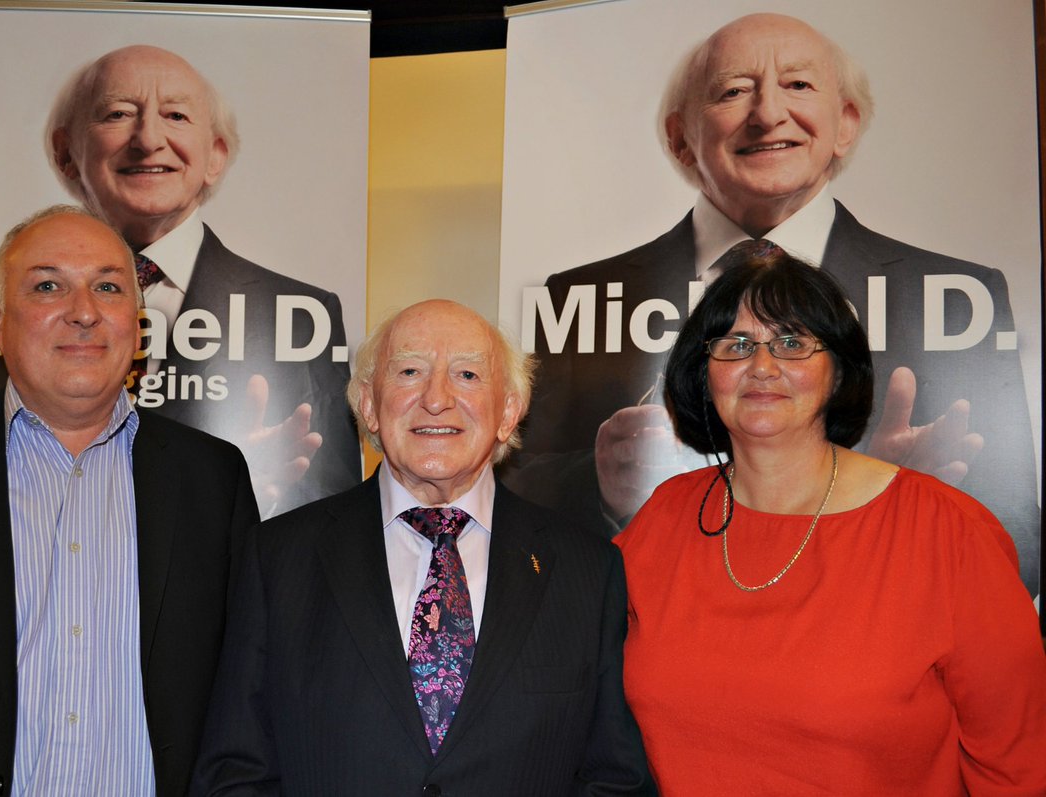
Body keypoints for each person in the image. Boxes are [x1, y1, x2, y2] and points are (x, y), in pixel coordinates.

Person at [506, 12, 1040, 598]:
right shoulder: (579, 297)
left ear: (847, 124)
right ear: (681, 137)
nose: (767, 114)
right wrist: (600, 484)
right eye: (734, 91)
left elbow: (1022, 552)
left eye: (799, 85)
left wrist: (901, 501)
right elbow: (516, 502)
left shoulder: (959, 296)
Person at [0, 206, 260, 795]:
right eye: (48, 286)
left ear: (136, 321)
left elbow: (245, 702)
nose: (84, 312)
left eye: (109, 287)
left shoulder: (212, 479)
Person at [614, 248, 1046, 794]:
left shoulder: (949, 533)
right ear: (703, 373)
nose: (762, 366)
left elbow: (1018, 769)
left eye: (793, 343)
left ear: (838, 370)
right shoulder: (666, 517)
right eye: (737, 345)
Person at [190, 299, 654, 795]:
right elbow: (234, 773)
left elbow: (613, 779)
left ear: (509, 412)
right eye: (409, 371)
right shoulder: (278, 557)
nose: (436, 398)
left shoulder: (586, 568)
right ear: (369, 404)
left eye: (469, 375)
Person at [0, 44, 358, 518]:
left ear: (215, 155)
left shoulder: (301, 315)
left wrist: (254, 495)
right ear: (66, 151)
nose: (148, 138)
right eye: (117, 113)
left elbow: (329, 526)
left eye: (175, 115)